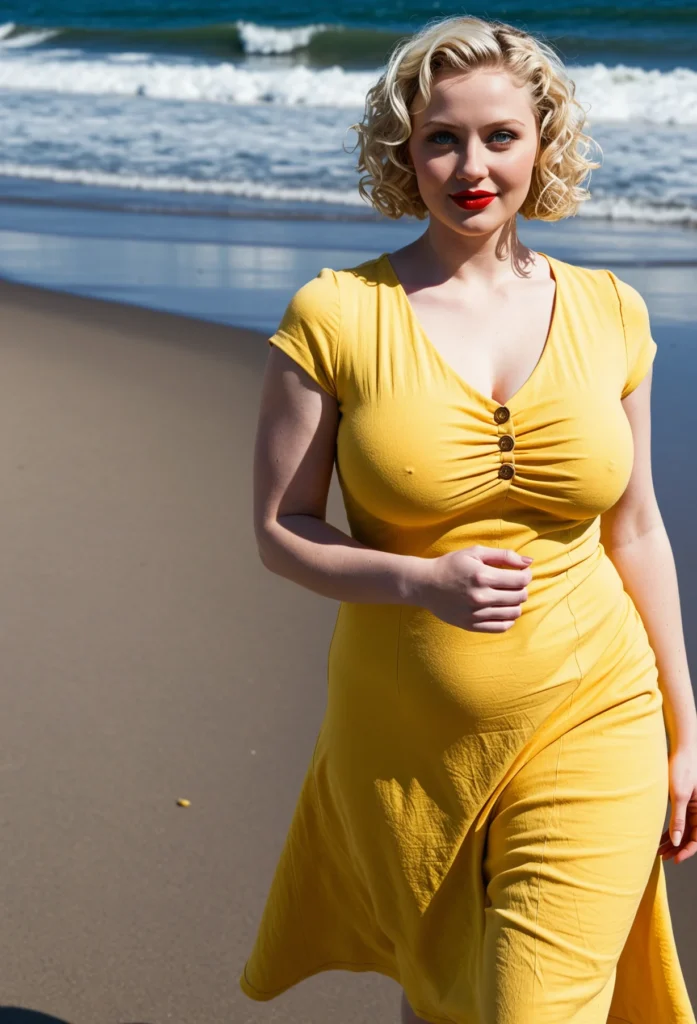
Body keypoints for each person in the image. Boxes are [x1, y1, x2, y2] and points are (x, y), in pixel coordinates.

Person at [239, 14, 697, 1023]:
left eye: (500, 136)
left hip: (597, 708)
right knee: (447, 998)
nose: (471, 165)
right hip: (410, 742)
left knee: (529, 1006)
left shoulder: (613, 309)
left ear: (544, 143)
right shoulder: (336, 314)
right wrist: (417, 580)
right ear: (405, 149)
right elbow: (281, 528)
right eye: (442, 137)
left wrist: (683, 728)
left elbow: (637, 531)